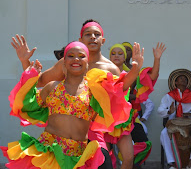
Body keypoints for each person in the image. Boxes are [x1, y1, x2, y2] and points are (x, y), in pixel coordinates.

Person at [10, 19, 143, 169]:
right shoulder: (56, 80)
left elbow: (119, 91)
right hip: (55, 144)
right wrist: (25, 62)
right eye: (88, 34)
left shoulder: (104, 76)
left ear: (103, 40)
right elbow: (35, 85)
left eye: (96, 34)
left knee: (106, 162)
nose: (92, 37)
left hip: (92, 132)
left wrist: (135, 70)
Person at [108, 42, 165, 168]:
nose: (116, 56)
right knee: (105, 156)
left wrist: (157, 59)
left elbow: (152, 76)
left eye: (120, 53)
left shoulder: (131, 73)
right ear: (109, 56)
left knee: (133, 153)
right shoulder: (102, 72)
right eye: (113, 53)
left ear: (125, 57)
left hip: (127, 119)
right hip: (106, 119)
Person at [158, 69, 191, 169]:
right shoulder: (169, 96)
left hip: (188, 124)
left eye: (185, 79)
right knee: (163, 133)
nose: (183, 80)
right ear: (175, 82)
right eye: (181, 79)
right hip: (172, 124)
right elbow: (160, 110)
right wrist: (169, 112)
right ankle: (172, 163)